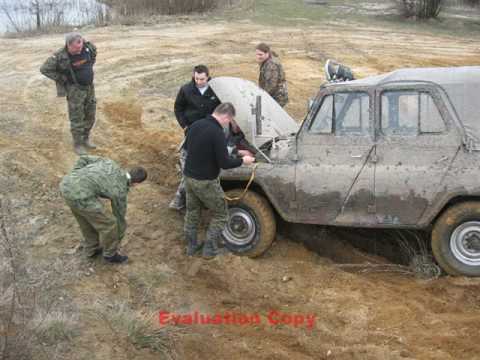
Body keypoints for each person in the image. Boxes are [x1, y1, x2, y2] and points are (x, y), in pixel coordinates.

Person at [183, 103, 255, 259]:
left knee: (192, 211)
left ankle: (191, 246)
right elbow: (225, 163)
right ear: (226, 117)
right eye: (229, 121)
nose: (228, 124)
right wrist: (244, 160)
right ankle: (210, 249)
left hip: (188, 178)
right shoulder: (217, 133)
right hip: (205, 182)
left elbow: (189, 147)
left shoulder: (196, 124)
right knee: (221, 214)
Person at [60, 155, 147, 264]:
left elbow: (84, 158)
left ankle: (92, 249)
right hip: (82, 196)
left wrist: (76, 175)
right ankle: (110, 255)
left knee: (86, 220)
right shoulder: (120, 191)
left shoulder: (110, 163)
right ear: (136, 183)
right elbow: (119, 217)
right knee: (110, 224)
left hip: (66, 185)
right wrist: (118, 238)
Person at [169, 64, 221, 210]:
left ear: (208, 77)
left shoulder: (215, 89)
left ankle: (206, 196)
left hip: (211, 132)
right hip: (191, 132)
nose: (199, 82)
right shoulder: (186, 89)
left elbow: (221, 108)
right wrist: (184, 125)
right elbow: (178, 108)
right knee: (189, 166)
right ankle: (180, 197)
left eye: (202, 79)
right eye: (196, 78)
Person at [40, 32, 97, 155]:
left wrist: (87, 70)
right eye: (76, 48)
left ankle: (86, 138)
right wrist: (63, 79)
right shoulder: (60, 56)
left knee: (90, 115)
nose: (79, 50)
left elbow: (93, 55)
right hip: (75, 91)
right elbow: (44, 69)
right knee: (77, 118)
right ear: (68, 45)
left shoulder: (88, 48)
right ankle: (78, 144)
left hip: (89, 89)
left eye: (80, 46)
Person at [255, 43, 289, 107]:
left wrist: (262, 96)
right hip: (275, 96)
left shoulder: (271, 65)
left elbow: (271, 86)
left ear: (267, 53)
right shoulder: (267, 61)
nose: (258, 57)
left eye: (260, 54)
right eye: (257, 54)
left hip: (278, 97)